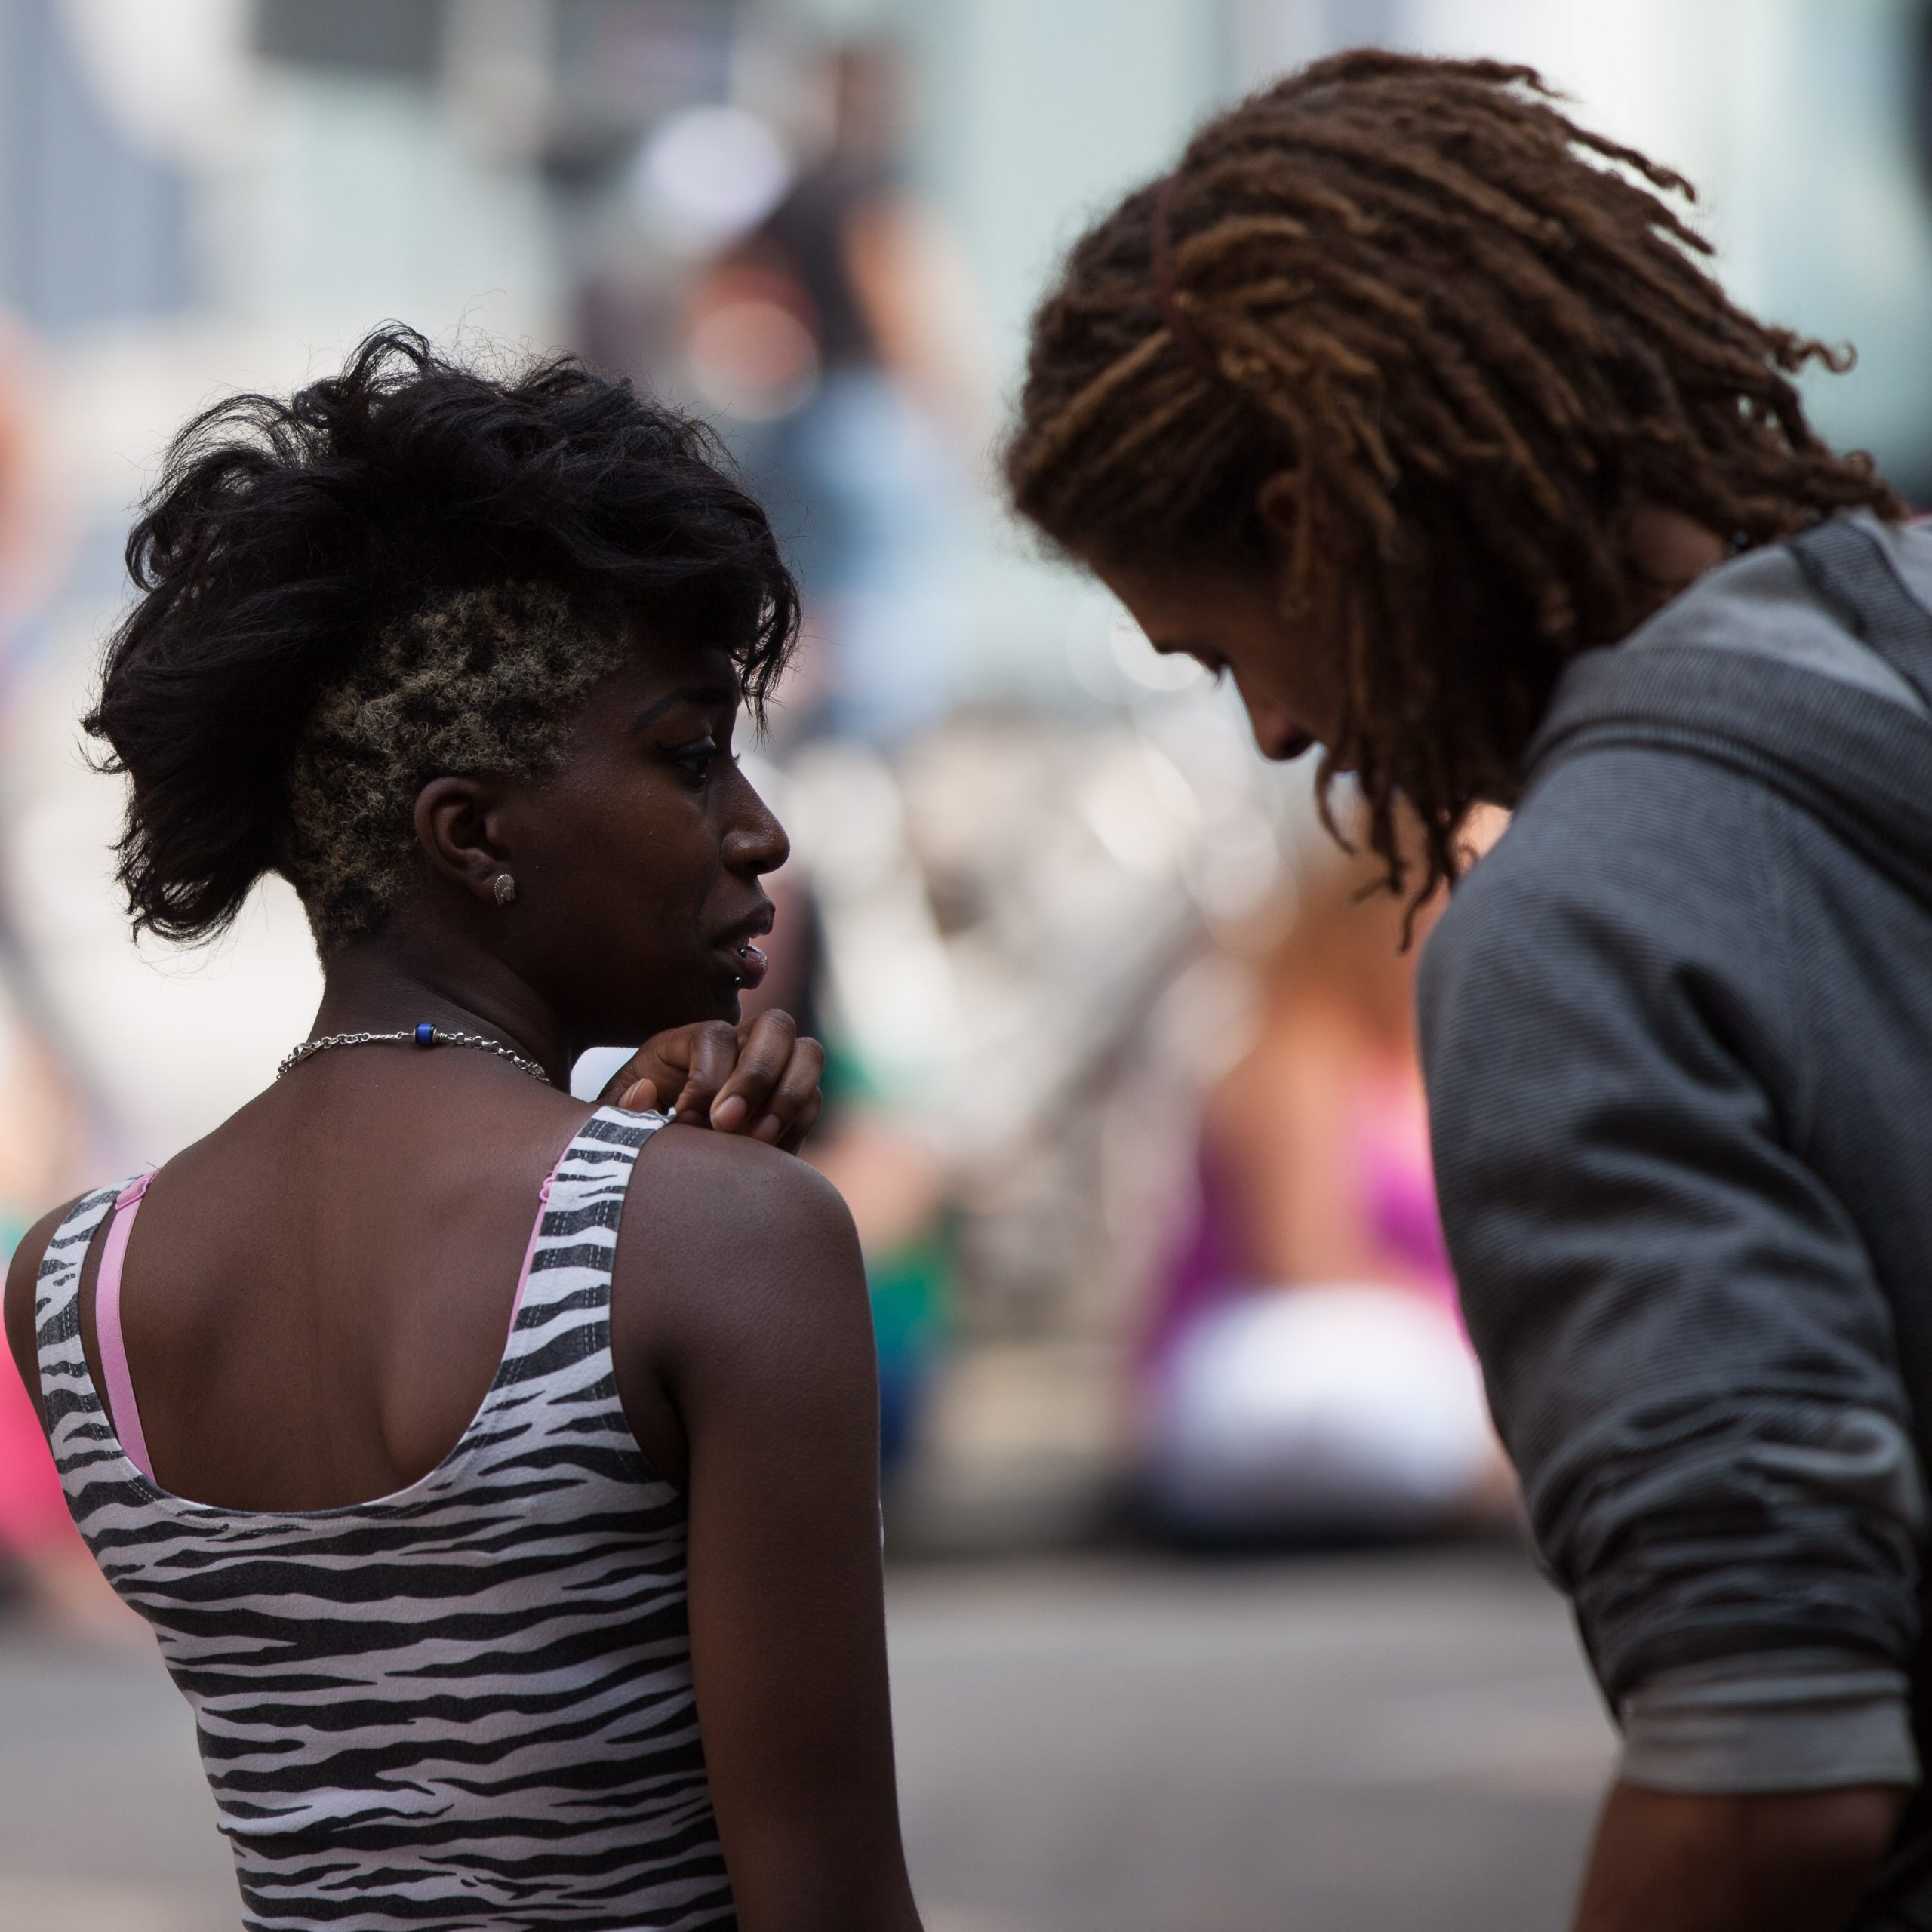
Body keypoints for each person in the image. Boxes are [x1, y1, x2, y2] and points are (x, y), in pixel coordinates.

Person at [1004, 49, 1932, 1932]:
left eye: (1223, 653)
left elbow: (1767, 1775)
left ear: (1313, 523)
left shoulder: (1576, 922)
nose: (1273, 733)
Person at [2, 328, 921, 1932]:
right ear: (472, 833)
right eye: (689, 756)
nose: (760, 830)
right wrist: (695, 1214)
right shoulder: (726, 1243)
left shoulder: (77, 1288)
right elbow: (825, 1899)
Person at [1139, 847, 1504, 1540]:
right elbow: (1302, 1258)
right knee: (1384, 1375)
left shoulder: (1466, 1062)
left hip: (1431, 1365)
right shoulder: (1302, 1048)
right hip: (1266, 1362)